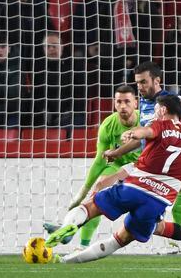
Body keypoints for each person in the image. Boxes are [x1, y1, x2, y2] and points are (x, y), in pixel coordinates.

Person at [45, 73, 181, 264]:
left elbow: (146, 131)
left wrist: (133, 133)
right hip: (158, 201)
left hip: (134, 188)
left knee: (88, 208)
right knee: (120, 240)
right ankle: (66, 260)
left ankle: (68, 227)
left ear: (162, 110)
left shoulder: (161, 125)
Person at [103, 61, 181, 254]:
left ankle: (178, 237)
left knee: (180, 188)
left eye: (143, 82)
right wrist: (116, 153)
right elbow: (144, 138)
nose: (140, 87)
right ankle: (178, 236)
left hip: (162, 162)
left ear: (157, 80)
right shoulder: (142, 103)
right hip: (148, 161)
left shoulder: (171, 100)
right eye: (137, 83)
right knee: (104, 185)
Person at [44, 85, 141, 249]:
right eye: (119, 102)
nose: (123, 106)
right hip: (119, 165)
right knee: (97, 193)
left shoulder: (146, 121)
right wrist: (83, 190)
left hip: (144, 167)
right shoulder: (108, 125)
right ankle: (81, 244)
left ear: (136, 103)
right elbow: (100, 160)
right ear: (114, 104)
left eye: (127, 101)